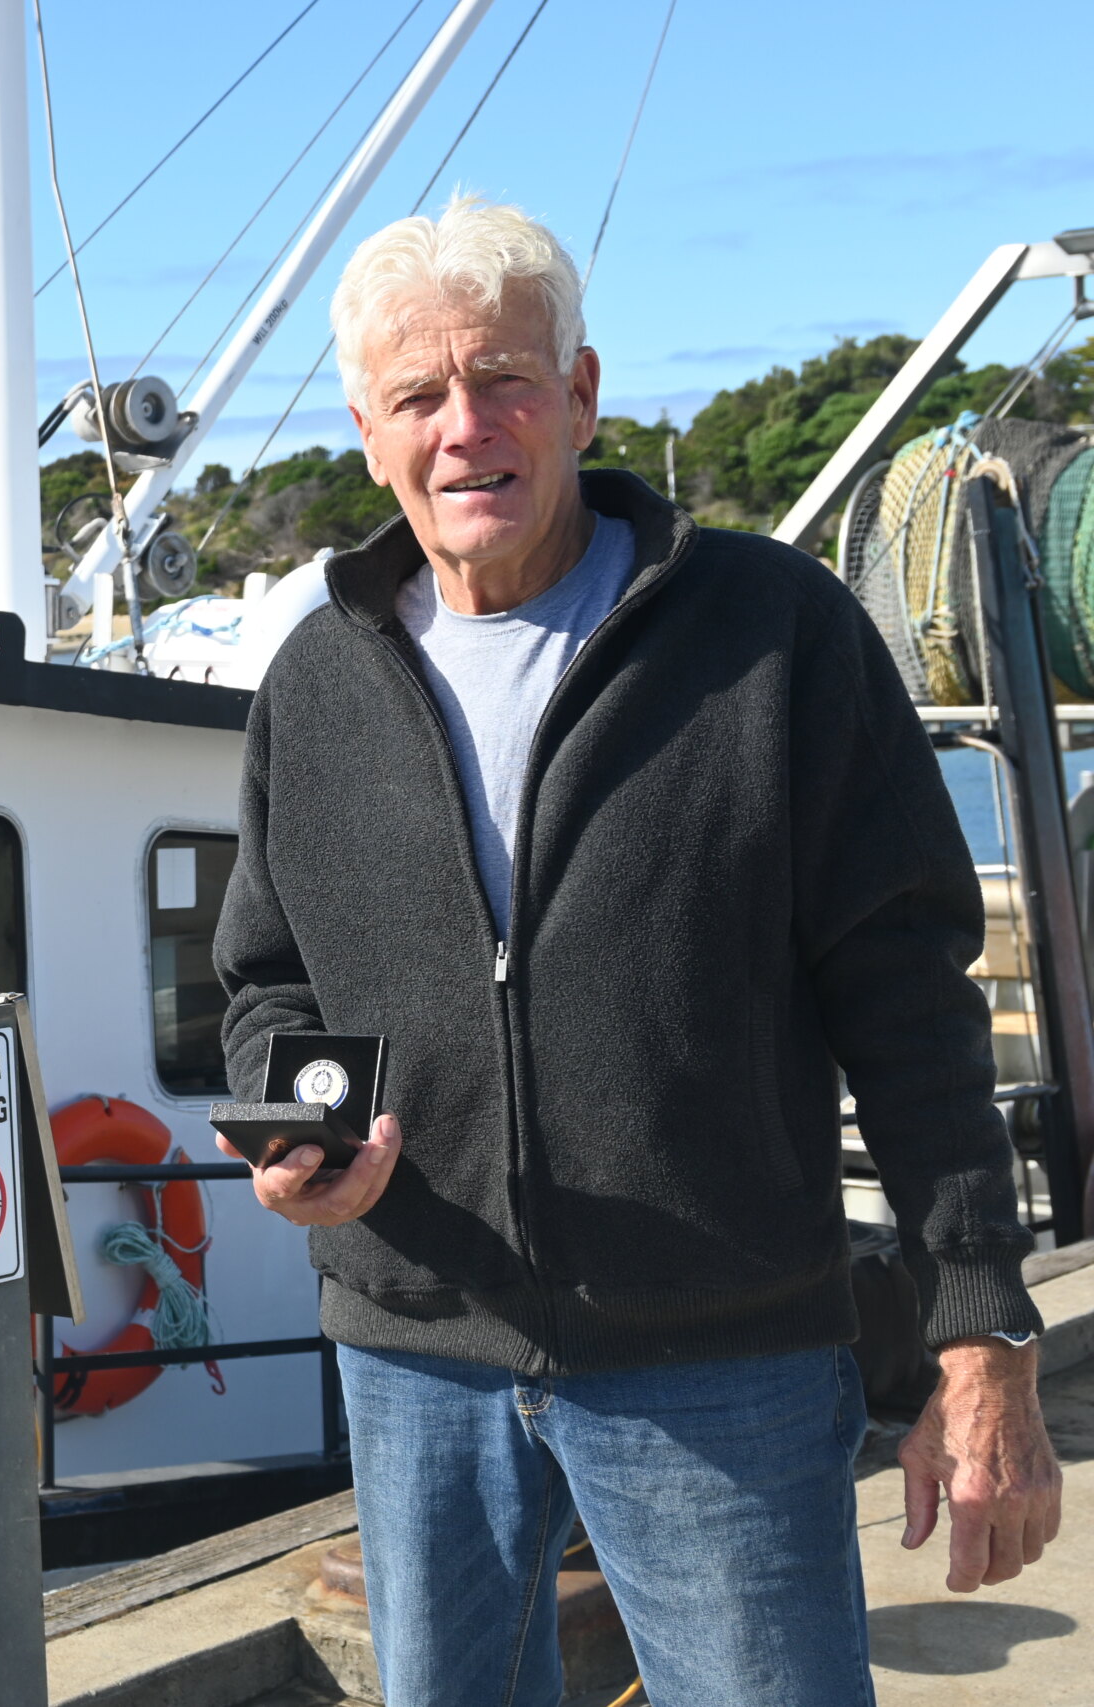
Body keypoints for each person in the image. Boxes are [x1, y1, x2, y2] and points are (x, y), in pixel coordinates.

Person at [212, 195, 1062, 1707]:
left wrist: (978, 1324)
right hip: (415, 1358)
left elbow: (909, 1001)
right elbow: (267, 979)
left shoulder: (772, 633)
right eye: (419, 395)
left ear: (582, 393)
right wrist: (294, 1126)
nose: (465, 428)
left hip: (722, 1362)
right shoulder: (315, 681)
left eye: (504, 380)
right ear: (368, 432)